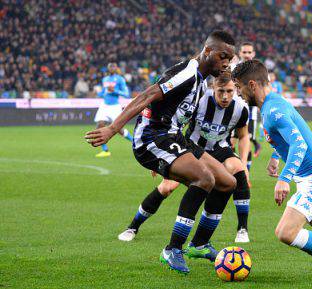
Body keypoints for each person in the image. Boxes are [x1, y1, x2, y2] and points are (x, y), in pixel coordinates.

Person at [85, 30, 237, 274]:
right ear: (207, 52)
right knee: (204, 178)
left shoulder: (201, 78)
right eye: (223, 56)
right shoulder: (186, 73)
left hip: (174, 137)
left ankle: (199, 244)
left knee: (227, 182)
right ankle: (173, 249)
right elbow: (147, 95)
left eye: (230, 58)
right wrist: (113, 128)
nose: (227, 62)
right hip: (152, 137)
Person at [231, 60, 312, 285]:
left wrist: (284, 179)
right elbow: (292, 136)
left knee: (285, 232)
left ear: (251, 84)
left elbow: (299, 145)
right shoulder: (273, 102)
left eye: (238, 87)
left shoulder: (273, 111)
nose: (237, 93)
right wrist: (277, 156)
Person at [118, 72, 252, 244]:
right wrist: (163, 157)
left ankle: (242, 229)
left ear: (235, 90)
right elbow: (176, 126)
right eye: (221, 91)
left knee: (238, 170)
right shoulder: (201, 102)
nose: (225, 96)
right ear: (213, 88)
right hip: (192, 147)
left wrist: (245, 163)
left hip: (221, 149)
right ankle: (133, 226)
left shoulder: (241, 108)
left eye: (229, 91)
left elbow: (244, 136)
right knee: (166, 187)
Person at [93, 62, 132, 157]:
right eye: (110, 66)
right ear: (108, 68)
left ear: (116, 68)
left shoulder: (120, 79)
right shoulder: (105, 79)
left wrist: (114, 90)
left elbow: (126, 94)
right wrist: (98, 94)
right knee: (99, 125)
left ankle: (134, 141)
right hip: (104, 105)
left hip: (114, 107)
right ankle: (105, 150)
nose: (111, 68)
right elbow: (104, 91)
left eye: (113, 66)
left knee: (118, 129)